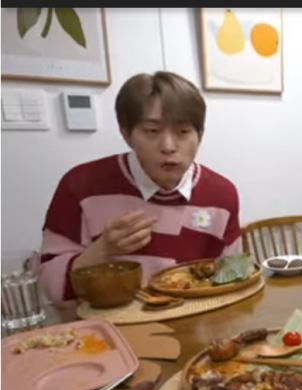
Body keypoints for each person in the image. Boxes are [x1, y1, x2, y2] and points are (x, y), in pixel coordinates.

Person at [38, 71, 242, 303]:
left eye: (183, 132)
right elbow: (49, 286)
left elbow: (233, 279)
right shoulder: (81, 185)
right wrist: (102, 251)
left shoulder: (221, 194)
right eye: (152, 131)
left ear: (200, 135)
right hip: (108, 321)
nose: (168, 146)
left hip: (195, 320)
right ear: (126, 134)